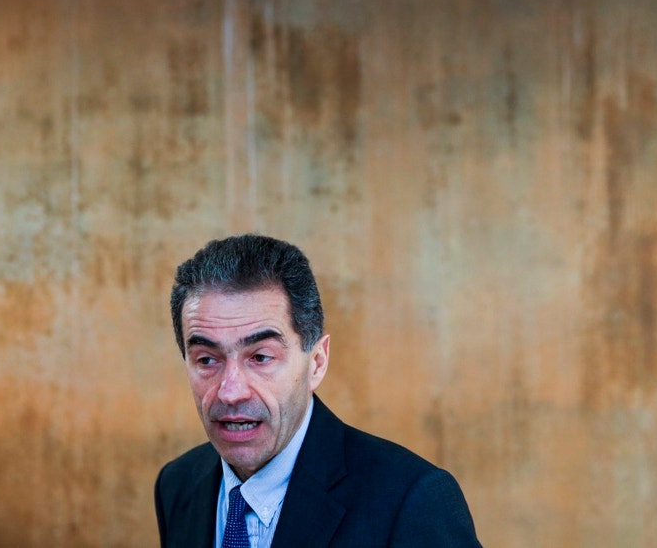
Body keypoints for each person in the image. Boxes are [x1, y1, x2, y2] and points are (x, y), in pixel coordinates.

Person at [154, 234, 482, 548]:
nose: (231, 392)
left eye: (260, 357)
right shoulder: (177, 484)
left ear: (317, 363)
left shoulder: (412, 499)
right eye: (207, 359)